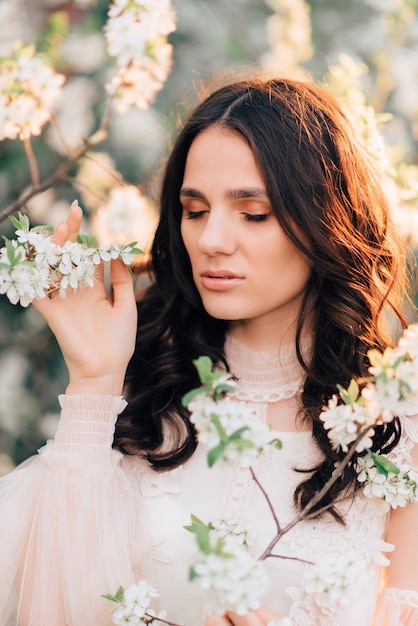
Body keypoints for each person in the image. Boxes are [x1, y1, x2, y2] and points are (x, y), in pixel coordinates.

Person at [0, 76, 417, 626]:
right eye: (194, 210)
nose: (211, 239)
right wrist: (94, 382)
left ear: (326, 221)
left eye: (253, 213)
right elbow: (46, 606)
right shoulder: (143, 389)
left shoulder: (393, 423)